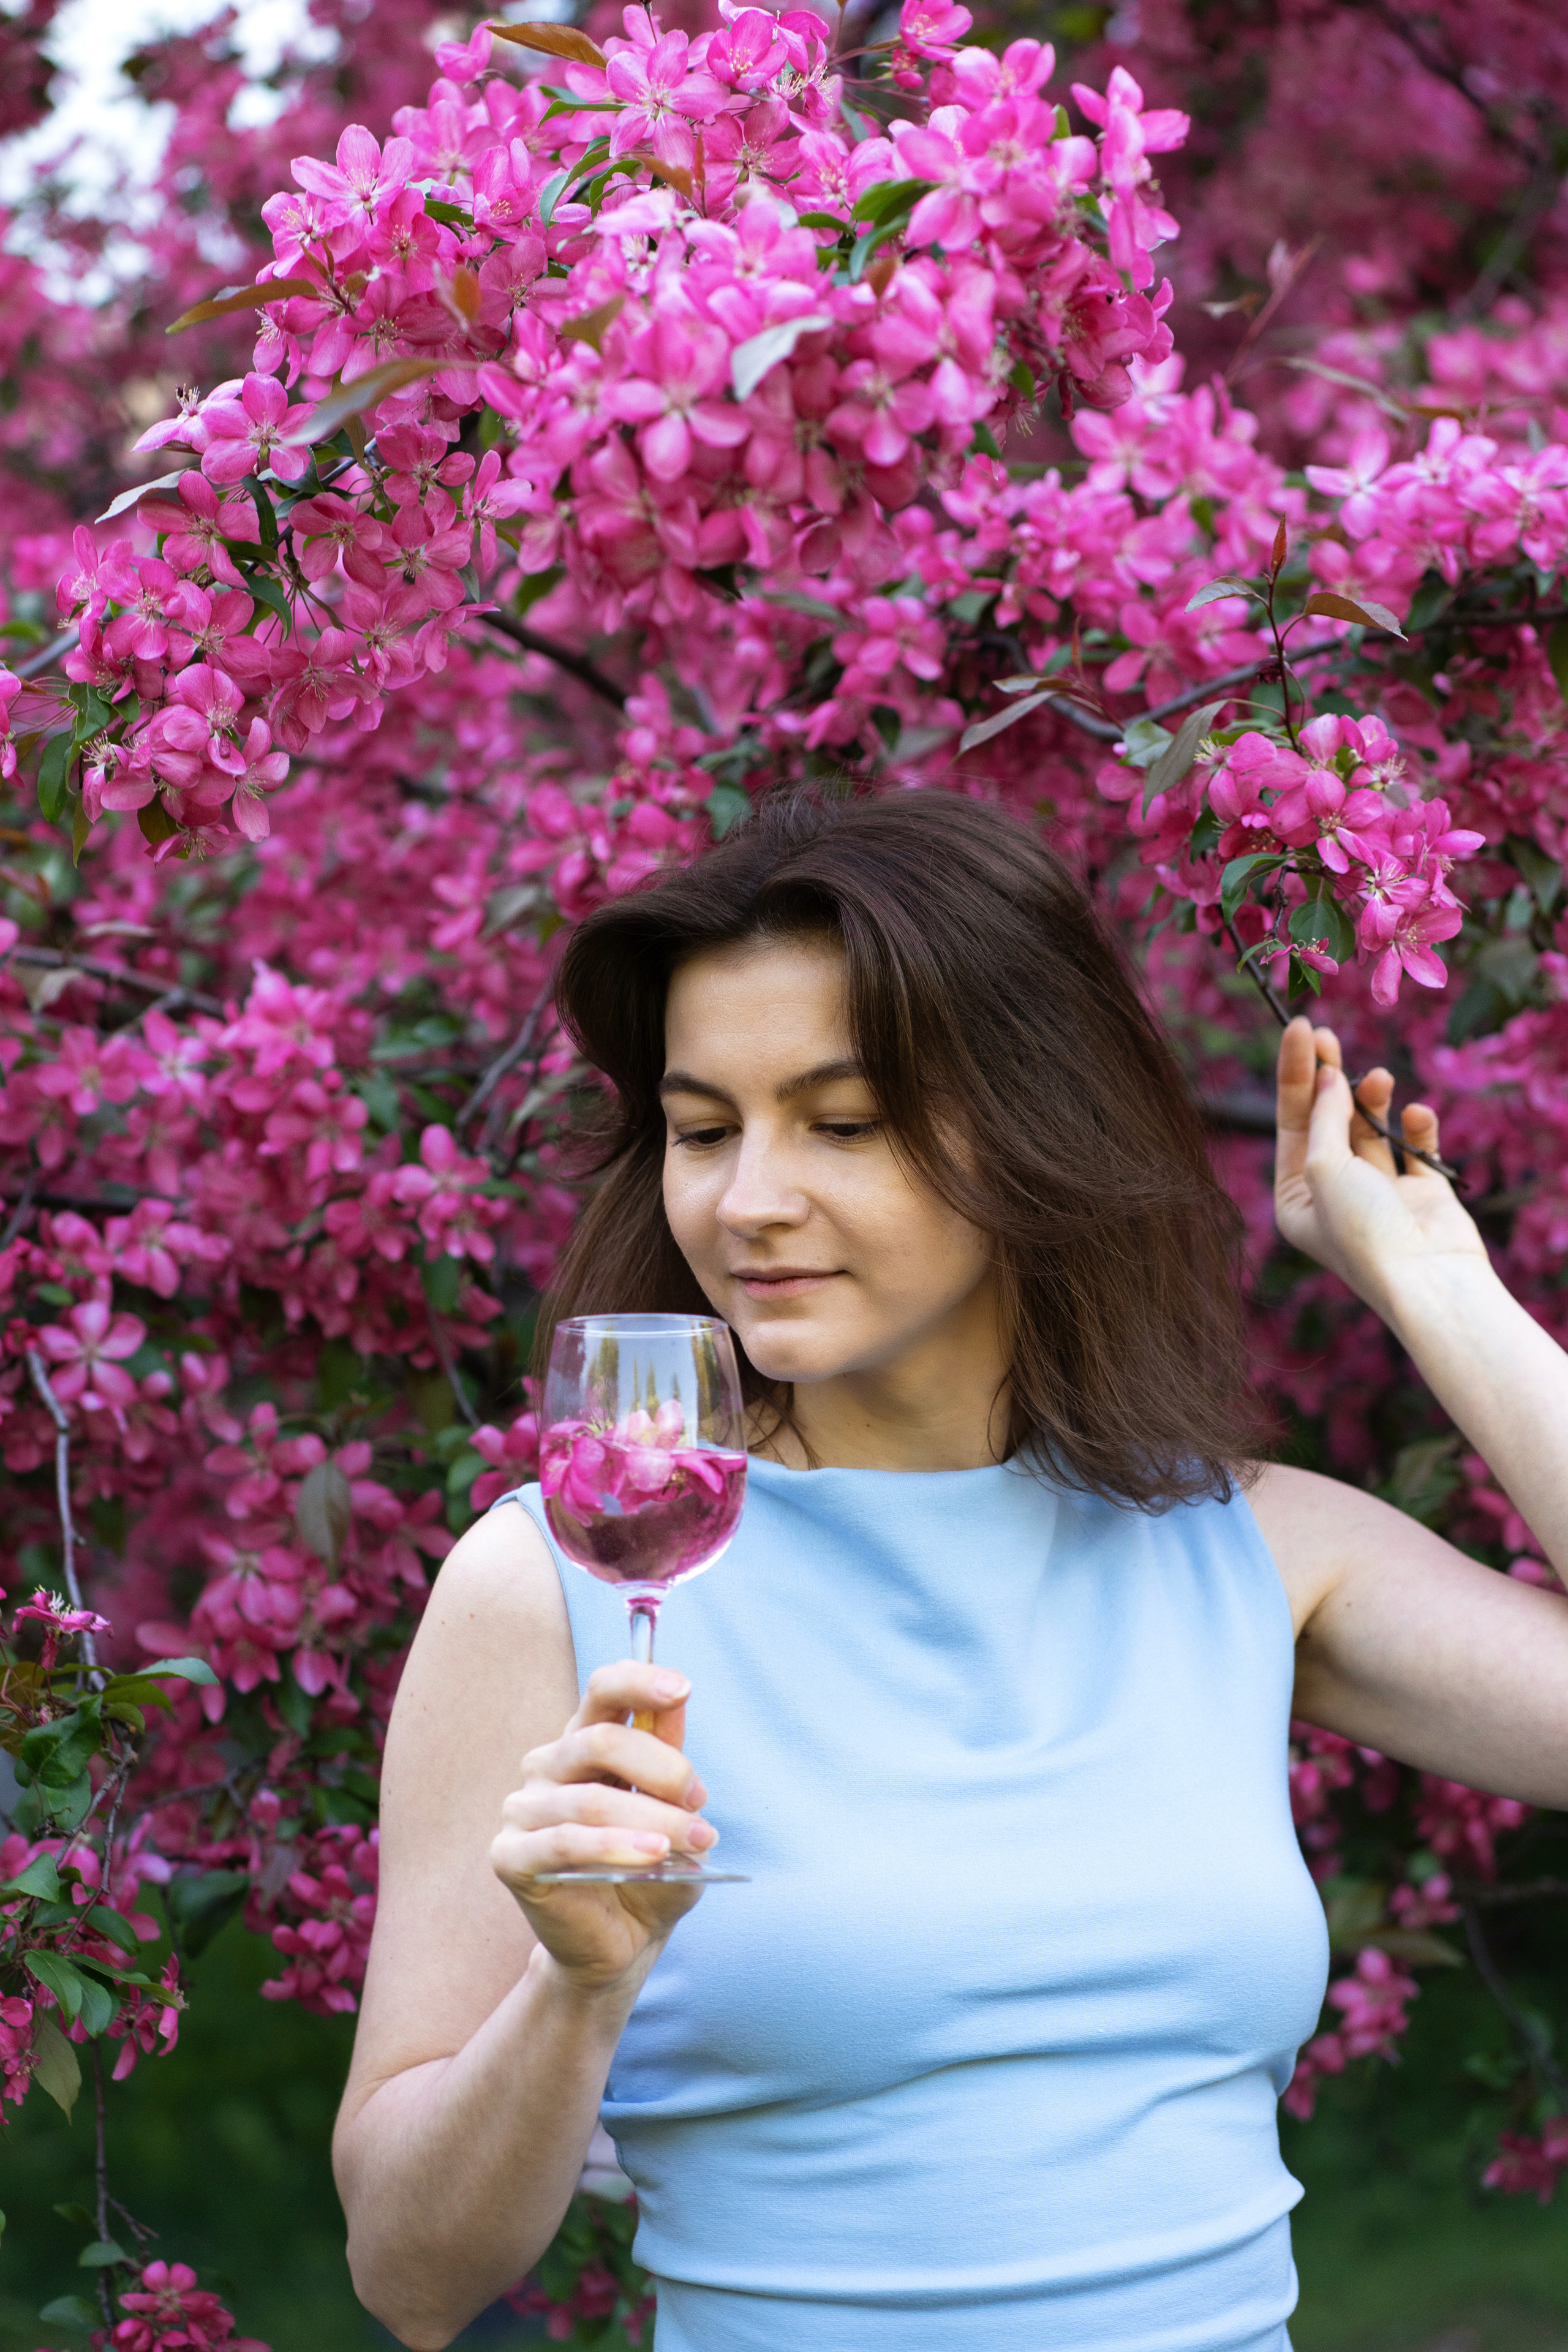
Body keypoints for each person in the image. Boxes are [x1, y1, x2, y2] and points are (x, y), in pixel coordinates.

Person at [332, 790, 1568, 2352]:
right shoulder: (558, 1584)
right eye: (702, 1131)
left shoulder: (1251, 1549)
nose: (746, 1200)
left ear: (1034, 1125)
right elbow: (408, 2276)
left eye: (840, 1123)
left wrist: (1433, 1280)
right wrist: (571, 1995)